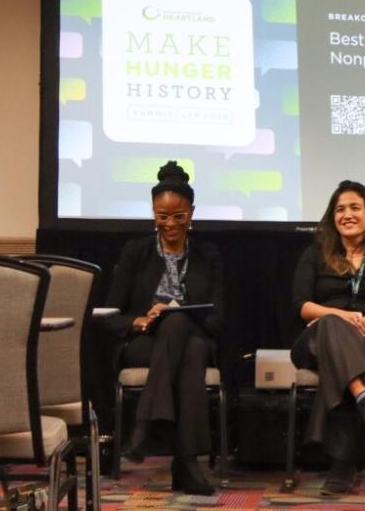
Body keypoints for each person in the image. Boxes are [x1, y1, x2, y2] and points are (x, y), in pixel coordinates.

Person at [102, 161, 223, 495]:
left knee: (182, 325)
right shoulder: (135, 252)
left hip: (193, 336)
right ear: (153, 213)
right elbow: (110, 316)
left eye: (178, 216)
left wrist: (176, 311)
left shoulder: (208, 255)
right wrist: (139, 320)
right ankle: (187, 465)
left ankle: (145, 424)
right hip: (145, 342)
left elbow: (217, 319)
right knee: (190, 351)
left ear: (192, 213)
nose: (170, 224)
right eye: (162, 216)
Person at [290, 180, 365, 496]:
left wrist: (358, 323)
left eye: (355, 207)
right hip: (314, 340)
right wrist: (340, 318)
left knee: (341, 361)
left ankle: (340, 465)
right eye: (340, 209)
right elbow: (302, 306)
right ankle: (362, 395)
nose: (347, 214)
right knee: (329, 326)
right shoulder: (314, 254)